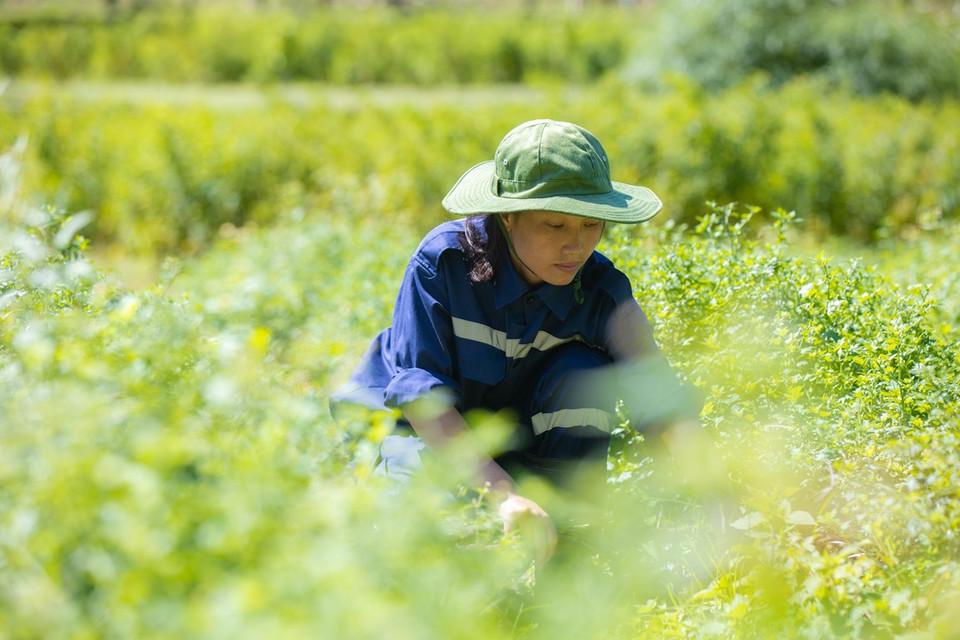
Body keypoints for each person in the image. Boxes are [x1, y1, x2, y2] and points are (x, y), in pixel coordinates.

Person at [332, 119, 719, 566]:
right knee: (418, 540)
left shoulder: (600, 290)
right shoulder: (443, 262)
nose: (575, 246)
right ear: (507, 216)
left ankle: (567, 536)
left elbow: (662, 402)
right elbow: (422, 400)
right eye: (554, 225)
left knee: (584, 373)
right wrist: (503, 495)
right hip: (420, 432)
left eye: (591, 225)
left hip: (519, 438)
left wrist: (721, 500)